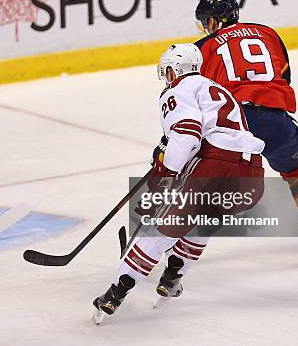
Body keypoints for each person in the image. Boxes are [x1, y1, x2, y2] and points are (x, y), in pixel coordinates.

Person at [92, 44, 265, 323]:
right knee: (205, 220)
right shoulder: (217, 89)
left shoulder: (178, 90)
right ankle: (172, 277)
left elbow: (187, 135)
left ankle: (114, 295)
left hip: (214, 167)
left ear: (174, 69)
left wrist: (166, 173)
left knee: (162, 231)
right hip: (252, 174)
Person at [193, 0, 298, 255]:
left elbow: (197, 95)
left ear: (213, 21)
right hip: (275, 118)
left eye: (205, 22)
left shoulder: (203, 48)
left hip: (234, 123)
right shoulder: (267, 33)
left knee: (202, 178)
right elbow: (284, 76)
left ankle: (173, 241)